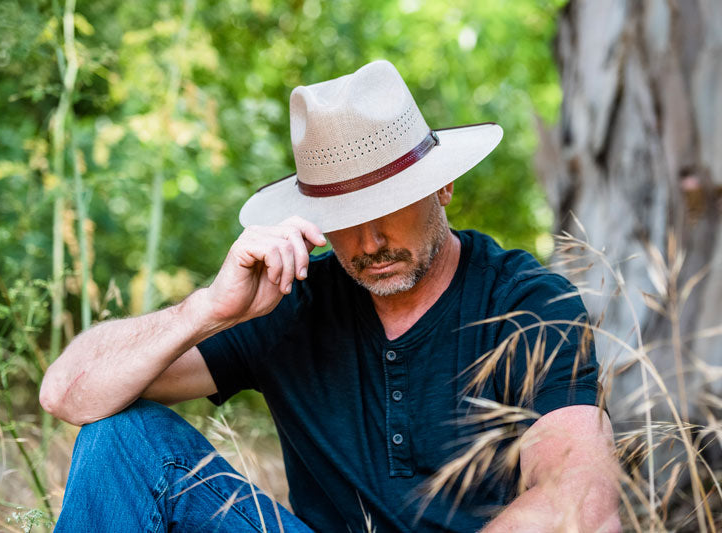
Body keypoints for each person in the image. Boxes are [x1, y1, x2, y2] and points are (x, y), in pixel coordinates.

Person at [40, 60, 621, 532]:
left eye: (389, 207)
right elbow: (68, 394)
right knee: (122, 435)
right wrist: (209, 310)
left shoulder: (526, 302)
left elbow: (582, 508)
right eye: (343, 218)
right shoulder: (292, 302)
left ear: (442, 184)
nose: (368, 242)